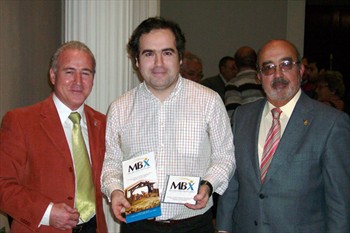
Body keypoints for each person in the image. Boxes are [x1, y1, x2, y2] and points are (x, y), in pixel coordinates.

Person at [101, 17, 235, 233]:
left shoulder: (209, 101)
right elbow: (111, 163)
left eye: (167, 52)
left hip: (195, 225)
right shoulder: (119, 108)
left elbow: (225, 157)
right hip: (138, 226)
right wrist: (114, 191)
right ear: (136, 60)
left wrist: (208, 185)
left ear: (180, 58)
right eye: (148, 54)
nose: (158, 63)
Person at [216, 39, 350, 233]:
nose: (278, 74)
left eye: (286, 65)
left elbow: (340, 202)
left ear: (301, 70)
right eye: (268, 68)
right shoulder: (243, 116)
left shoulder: (331, 123)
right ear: (259, 76)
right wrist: (223, 228)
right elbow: (233, 180)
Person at [0, 41, 108, 233]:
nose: (77, 81)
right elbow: (3, 185)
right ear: (52, 75)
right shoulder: (20, 122)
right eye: (69, 72)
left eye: (85, 73)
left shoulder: (103, 123)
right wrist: (47, 212)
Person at [225, 46, 265, 119]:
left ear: (235, 65)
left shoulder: (233, 85)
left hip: (245, 127)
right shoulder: (265, 81)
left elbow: (232, 116)